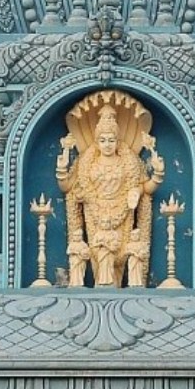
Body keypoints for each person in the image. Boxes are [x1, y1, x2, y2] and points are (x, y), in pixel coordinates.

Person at [57, 104, 164, 288]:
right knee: (100, 256)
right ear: (97, 142)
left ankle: (123, 286)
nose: (107, 144)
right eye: (103, 140)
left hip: (123, 211)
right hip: (94, 212)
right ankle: (103, 285)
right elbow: (67, 186)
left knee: (122, 255)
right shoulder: (86, 163)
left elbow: (146, 188)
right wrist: (61, 168)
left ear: (117, 140)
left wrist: (157, 175)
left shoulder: (130, 162)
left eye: (111, 140)